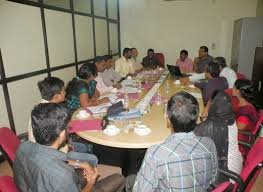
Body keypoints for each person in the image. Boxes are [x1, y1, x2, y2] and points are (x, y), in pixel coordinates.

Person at [14, 103, 125, 192]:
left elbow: (53, 159)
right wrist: (91, 182)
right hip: (58, 182)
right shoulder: (64, 175)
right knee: (119, 178)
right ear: (62, 133)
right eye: (68, 128)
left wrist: (81, 163)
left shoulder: (24, 146)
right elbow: (61, 172)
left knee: (83, 171)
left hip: (34, 186)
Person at [132, 92, 218, 192]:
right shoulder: (209, 143)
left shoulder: (156, 153)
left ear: (168, 121)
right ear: (196, 118)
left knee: (130, 180)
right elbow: (213, 179)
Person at [28, 76, 98, 166]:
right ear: (57, 96)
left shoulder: (40, 107)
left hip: (53, 148)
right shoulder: (52, 114)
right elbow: (51, 155)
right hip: (51, 157)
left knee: (82, 147)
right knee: (93, 159)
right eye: (63, 91)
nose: (65, 93)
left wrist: (66, 144)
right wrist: (79, 163)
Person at [194, 91, 243, 183]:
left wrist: (208, 104)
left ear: (214, 106)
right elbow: (204, 119)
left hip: (225, 172)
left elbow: (191, 136)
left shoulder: (211, 125)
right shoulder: (231, 119)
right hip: (237, 166)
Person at [226, 80, 259, 147]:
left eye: (234, 87)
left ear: (238, 91)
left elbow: (236, 131)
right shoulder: (241, 102)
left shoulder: (246, 114)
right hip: (234, 133)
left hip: (238, 142)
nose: (232, 89)